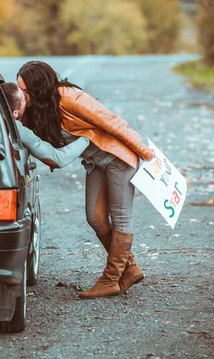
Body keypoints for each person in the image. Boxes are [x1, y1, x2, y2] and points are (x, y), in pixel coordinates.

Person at [16, 61, 154, 299]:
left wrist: (144, 152)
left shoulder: (70, 98)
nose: (23, 96)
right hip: (96, 163)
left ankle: (111, 279)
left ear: (39, 88)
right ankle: (129, 269)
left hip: (118, 158)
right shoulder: (41, 108)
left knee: (120, 216)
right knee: (96, 219)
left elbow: (111, 122)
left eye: (26, 92)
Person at [0, 82, 89, 170]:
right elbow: (58, 159)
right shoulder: (17, 128)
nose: (27, 101)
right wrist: (88, 137)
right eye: (24, 99)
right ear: (15, 113)